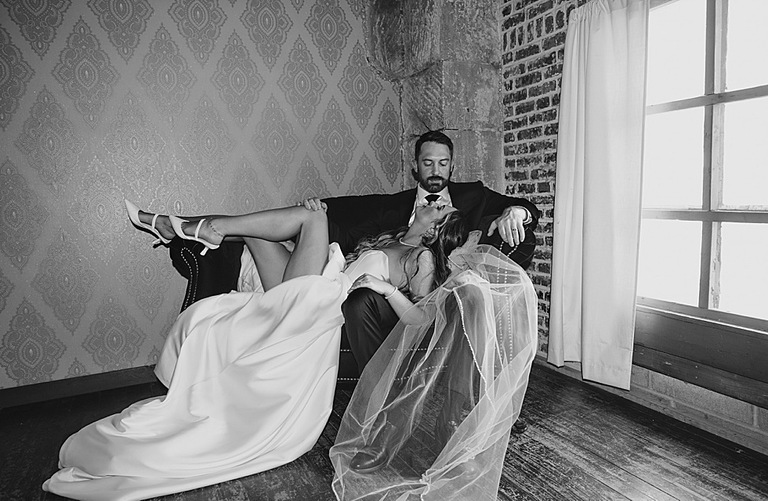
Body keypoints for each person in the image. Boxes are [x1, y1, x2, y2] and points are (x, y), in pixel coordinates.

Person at [42, 199, 469, 501]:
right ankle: (187, 227)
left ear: (437, 228)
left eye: (439, 208)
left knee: (313, 217)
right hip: (311, 290)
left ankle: (190, 227)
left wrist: (382, 288)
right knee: (259, 232)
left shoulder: (424, 258)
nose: (432, 202)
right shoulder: (396, 236)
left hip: (321, 306)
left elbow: (420, 319)